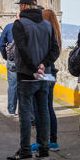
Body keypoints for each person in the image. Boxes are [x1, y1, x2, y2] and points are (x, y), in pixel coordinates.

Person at [7, 0, 60, 160]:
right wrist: (44, 65)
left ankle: (25, 151)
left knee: (24, 112)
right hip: (45, 75)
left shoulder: (19, 24)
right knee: (43, 111)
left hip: (26, 74)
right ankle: (44, 150)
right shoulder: (47, 25)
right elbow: (55, 50)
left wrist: (34, 67)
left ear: (23, 6)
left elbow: (21, 50)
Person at [31, 9, 63, 152]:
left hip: (43, 73)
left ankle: (41, 141)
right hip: (51, 74)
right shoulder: (56, 34)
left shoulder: (45, 33)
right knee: (49, 108)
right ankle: (53, 141)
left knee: (39, 109)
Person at [0, 16, 19, 116]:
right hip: (26, 61)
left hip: (12, 60)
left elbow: (1, 43)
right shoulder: (30, 26)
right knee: (25, 86)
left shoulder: (9, 27)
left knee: (12, 86)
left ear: (16, 17)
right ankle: (25, 111)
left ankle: (11, 110)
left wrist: (5, 56)